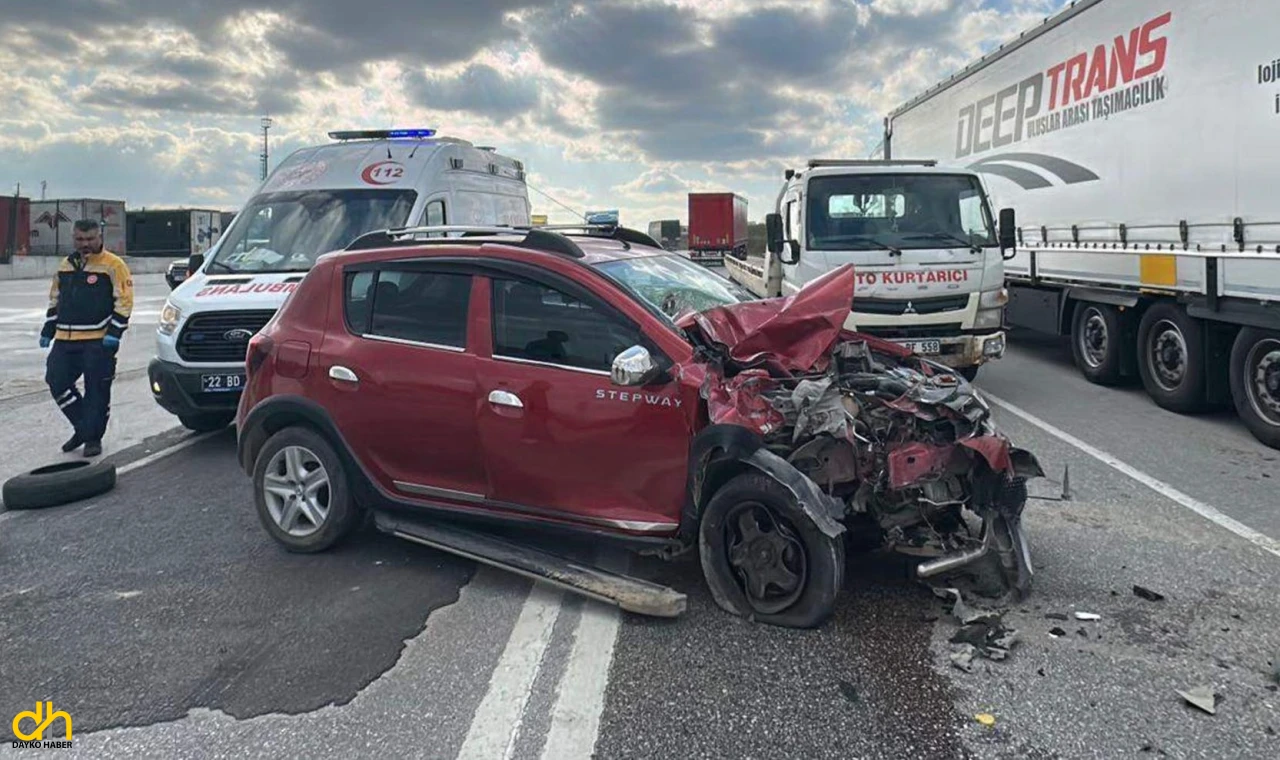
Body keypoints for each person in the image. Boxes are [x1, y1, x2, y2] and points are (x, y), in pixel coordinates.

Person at [39, 219, 133, 458]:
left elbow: (124, 301)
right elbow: (55, 299)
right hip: (65, 338)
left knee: (97, 391)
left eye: (90, 239)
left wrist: (114, 333)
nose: (85, 244)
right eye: (80, 239)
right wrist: (48, 330)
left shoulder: (114, 265)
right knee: (56, 380)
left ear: (100, 237)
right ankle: (83, 428)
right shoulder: (65, 265)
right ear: (74, 239)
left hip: (98, 341)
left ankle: (92, 438)